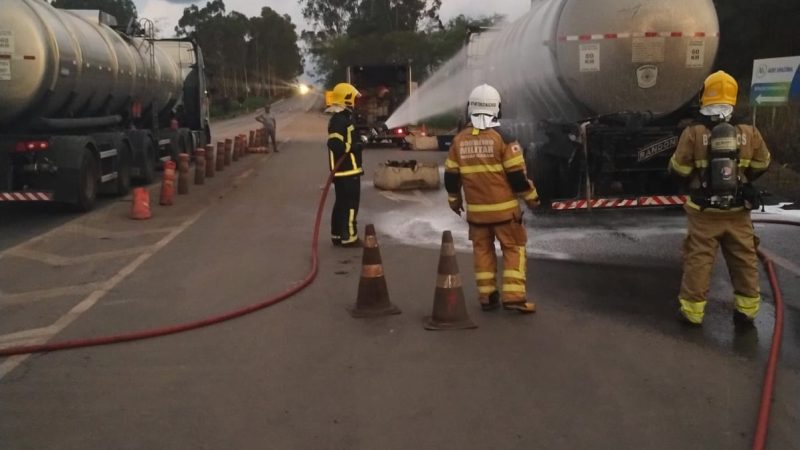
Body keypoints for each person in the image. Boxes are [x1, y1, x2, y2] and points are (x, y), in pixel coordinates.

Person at [669, 70, 771, 327]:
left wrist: (694, 178)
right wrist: (743, 179)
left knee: (699, 260)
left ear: (705, 96)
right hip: (738, 211)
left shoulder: (693, 132)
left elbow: (679, 168)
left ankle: (692, 313)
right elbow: (763, 163)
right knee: (744, 260)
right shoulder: (749, 130)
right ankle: (746, 312)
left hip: (703, 212)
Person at [444, 84, 540, 313]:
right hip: (505, 214)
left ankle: (487, 297)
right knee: (514, 249)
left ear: (470, 109)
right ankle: (514, 297)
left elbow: (451, 177)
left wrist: (455, 202)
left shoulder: (459, 141)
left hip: (477, 214)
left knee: (482, 253)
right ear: (497, 109)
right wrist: (532, 197)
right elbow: (517, 177)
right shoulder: (504, 138)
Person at [326, 82, 364, 247]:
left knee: (341, 203)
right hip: (347, 171)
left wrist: (358, 140)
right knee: (350, 205)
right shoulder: (339, 120)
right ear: (347, 99)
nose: (356, 102)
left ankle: (337, 235)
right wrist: (354, 146)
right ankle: (349, 237)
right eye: (354, 99)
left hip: (344, 171)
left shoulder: (341, 119)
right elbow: (334, 143)